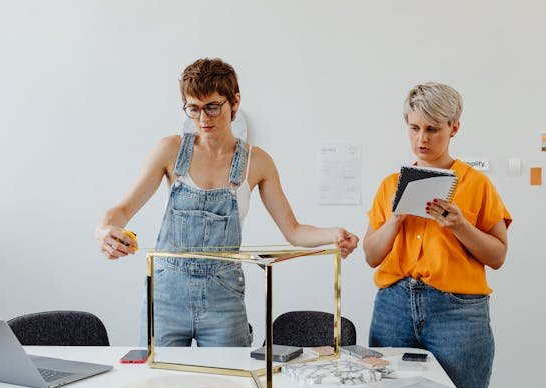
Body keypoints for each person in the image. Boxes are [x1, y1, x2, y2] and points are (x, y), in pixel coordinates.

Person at [95, 58, 359, 347]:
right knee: (162, 385)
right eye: (193, 108)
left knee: (231, 384)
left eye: (212, 107)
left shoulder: (257, 162)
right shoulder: (169, 151)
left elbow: (293, 231)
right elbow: (122, 210)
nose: (203, 119)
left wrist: (332, 235)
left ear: (235, 102)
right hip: (167, 296)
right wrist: (105, 230)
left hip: (223, 299)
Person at [363, 82, 511, 388]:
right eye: (414, 128)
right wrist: (397, 217)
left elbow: (498, 256)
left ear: (454, 128)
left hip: (458, 312)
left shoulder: (477, 184)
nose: (422, 139)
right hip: (393, 306)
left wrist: (459, 225)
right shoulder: (389, 185)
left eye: (432, 129)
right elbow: (371, 255)